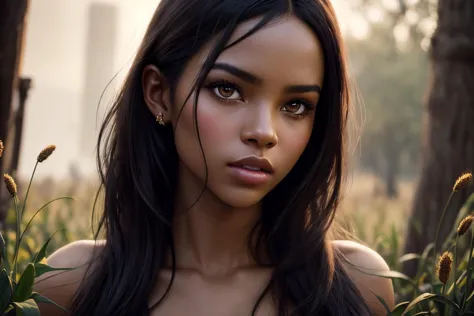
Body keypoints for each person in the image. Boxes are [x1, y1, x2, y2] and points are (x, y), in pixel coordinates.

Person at [34, 0, 395, 315]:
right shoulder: (68, 286)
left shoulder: (359, 286)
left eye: (296, 105)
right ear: (159, 94)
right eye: (227, 90)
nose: (265, 132)